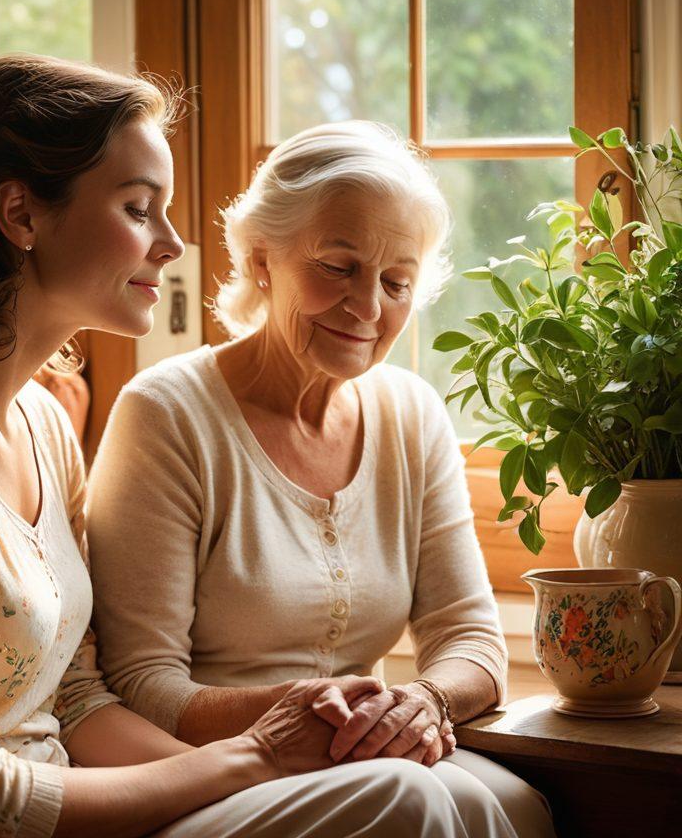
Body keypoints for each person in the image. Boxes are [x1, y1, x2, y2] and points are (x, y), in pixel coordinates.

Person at [0, 60, 474, 838]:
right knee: (405, 800)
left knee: (446, 792)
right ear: (20, 215)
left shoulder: (43, 423)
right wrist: (257, 759)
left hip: (60, 807)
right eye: (138, 207)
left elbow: (76, 700)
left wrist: (258, 773)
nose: (172, 243)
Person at [86, 121, 559, 837]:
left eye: (396, 281)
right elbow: (142, 685)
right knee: (419, 800)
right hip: (210, 764)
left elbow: (470, 638)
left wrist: (422, 701)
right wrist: (316, 713)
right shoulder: (166, 413)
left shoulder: (411, 414)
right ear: (260, 258)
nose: (369, 308)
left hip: (362, 746)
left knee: (521, 805)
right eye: (339, 267)